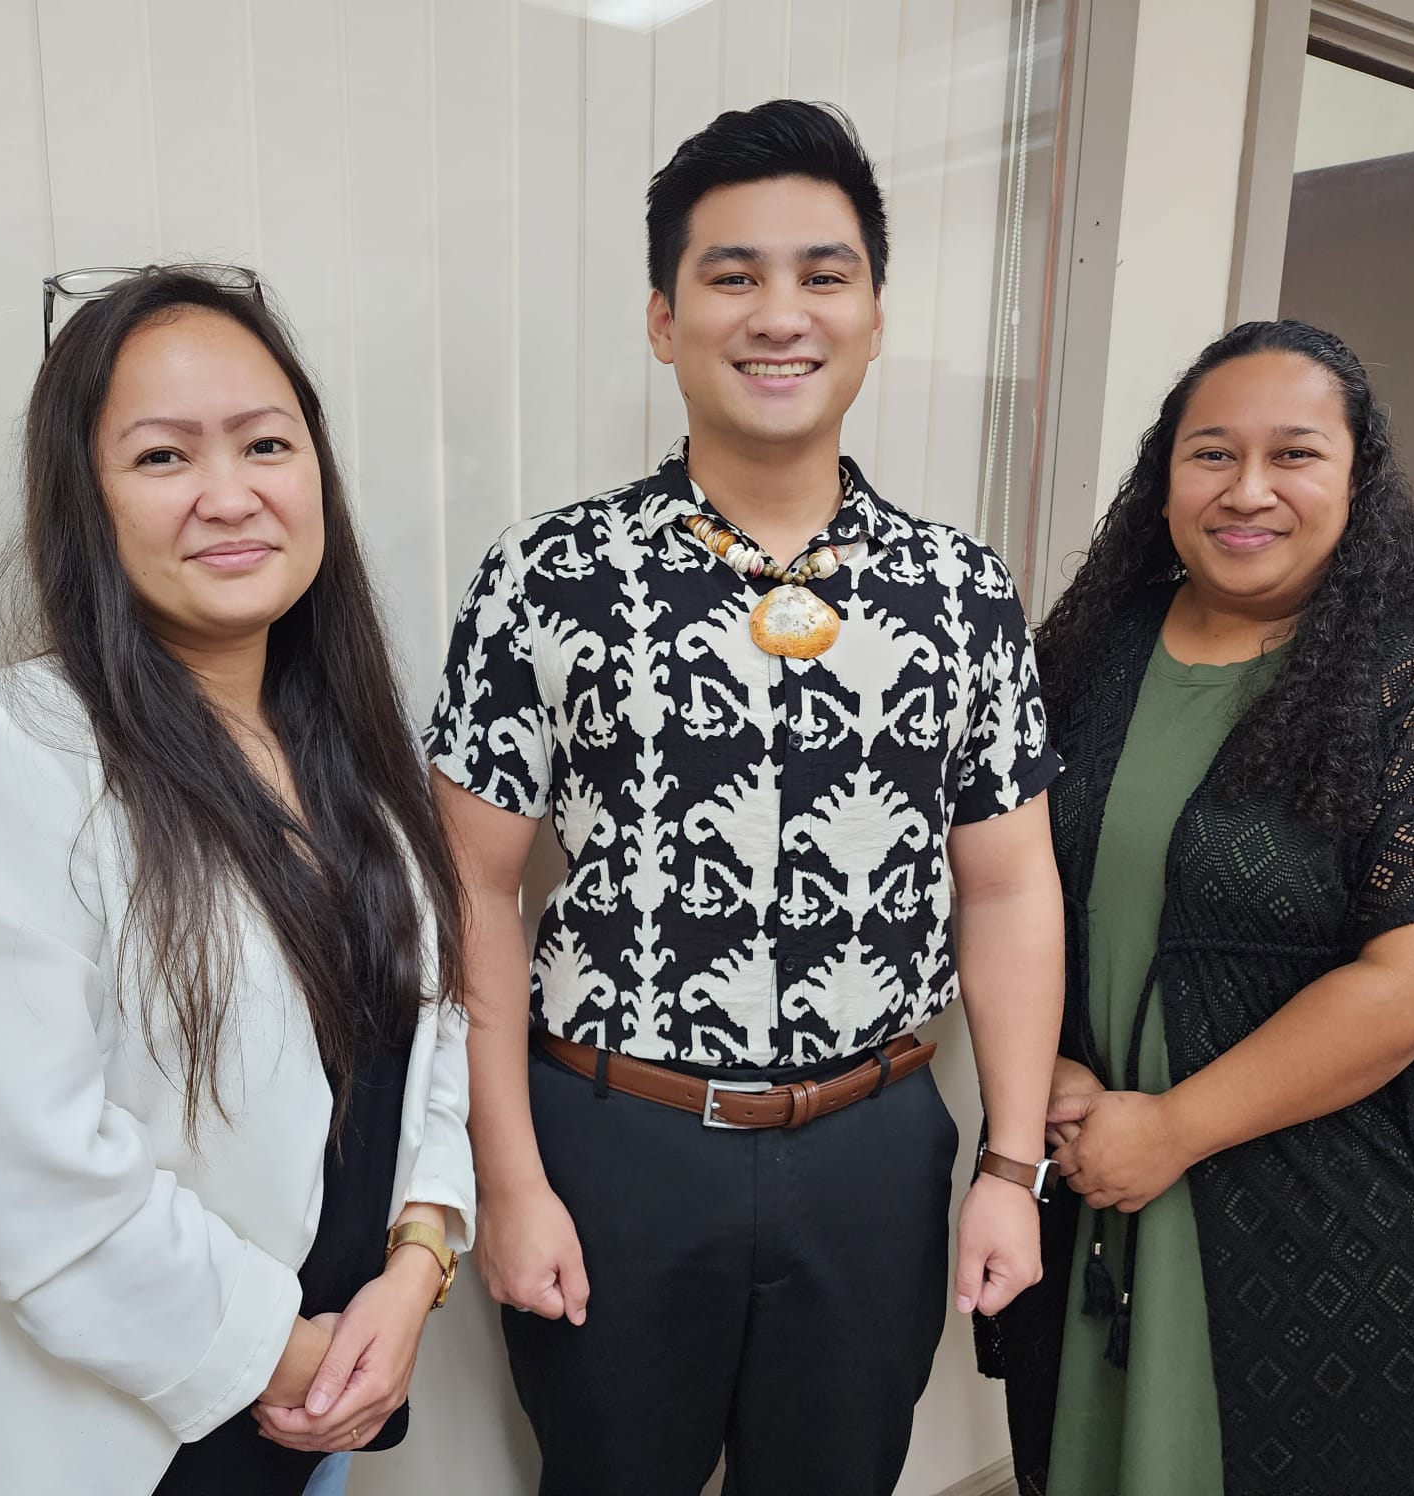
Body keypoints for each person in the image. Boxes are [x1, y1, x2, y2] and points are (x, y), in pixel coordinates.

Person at [427, 100, 1064, 1496]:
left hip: (876, 1149)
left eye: (824, 275)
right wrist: (514, 1181)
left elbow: (1009, 883)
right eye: (734, 275)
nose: (782, 313)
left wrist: (1011, 1168)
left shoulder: (964, 590)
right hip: (615, 1140)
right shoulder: (549, 574)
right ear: (665, 319)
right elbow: (467, 884)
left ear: (877, 314)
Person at [0, 267, 474, 1496]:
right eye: (163, 458)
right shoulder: (10, 747)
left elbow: (429, 1040)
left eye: (266, 444)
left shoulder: (350, 758)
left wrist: (419, 1256)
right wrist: (285, 1348)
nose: (231, 494)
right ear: (87, 501)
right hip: (119, 1439)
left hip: (316, 1420)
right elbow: (29, 1175)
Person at [978, 320, 1414, 1495]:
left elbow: (1402, 983)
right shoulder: (1086, 650)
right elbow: (997, 881)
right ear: (1162, 475)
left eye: (1295, 455)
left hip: (1304, 1210)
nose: (1248, 490)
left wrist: (1171, 1129)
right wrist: (1041, 1071)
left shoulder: (1400, 680)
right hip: (1085, 1177)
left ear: (1358, 477)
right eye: (1211, 453)